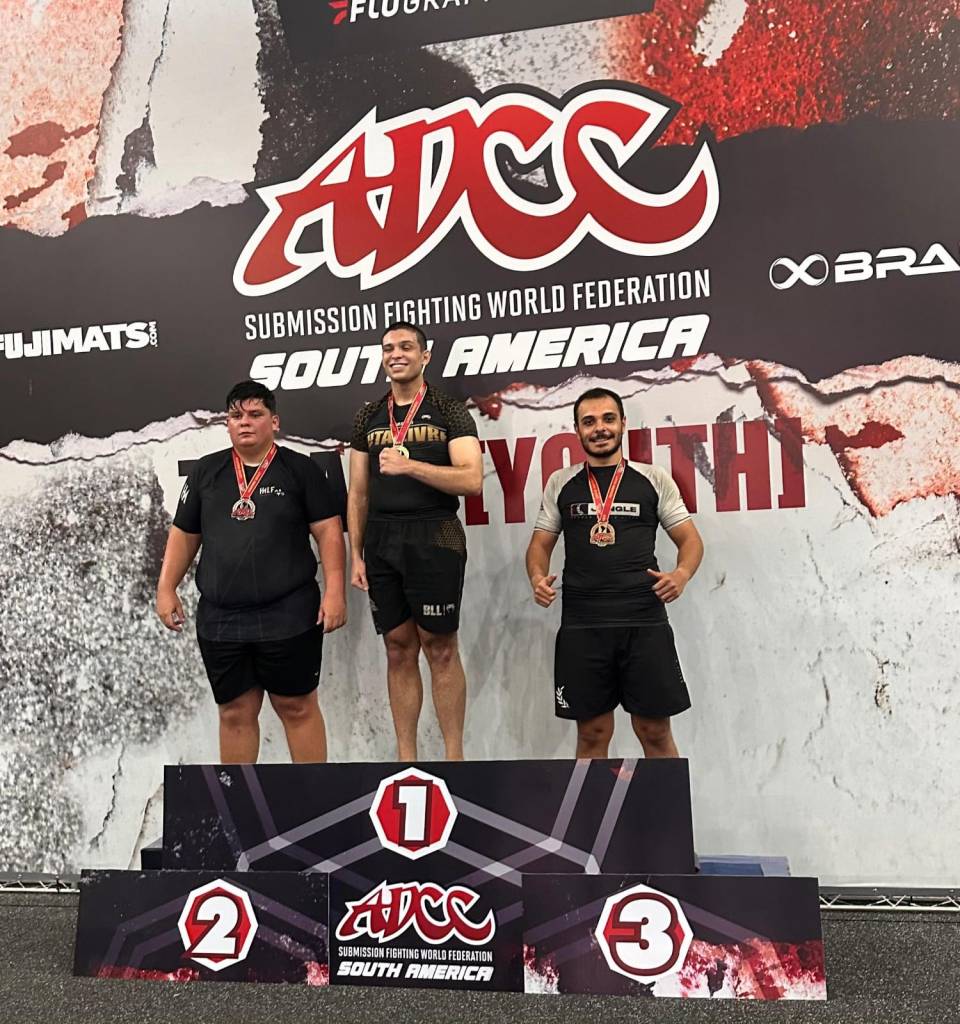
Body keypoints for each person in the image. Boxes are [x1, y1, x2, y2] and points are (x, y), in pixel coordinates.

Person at [156, 380, 346, 764]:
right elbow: (184, 534)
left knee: (297, 707)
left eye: (255, 414)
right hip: (222, 619)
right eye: (236, 415)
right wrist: (166, 587)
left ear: (274, 422)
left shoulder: (300, 469)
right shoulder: (206, 472)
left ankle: (314, 796)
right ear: (226, 423)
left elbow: (328, 532)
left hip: (289, 614)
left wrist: (335, 591)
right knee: (234, 712)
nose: (244, 422)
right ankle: (239, 799)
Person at [525, 387, 704, 760]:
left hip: (644, 622)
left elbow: (690, 540)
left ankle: (662, 803)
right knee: (592, 734)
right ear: (577, 429)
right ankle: (594, 804)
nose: (599, 429)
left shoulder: (653, 478)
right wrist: (537, 577)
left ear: (623, 423)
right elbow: (539, 545)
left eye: (608, 419)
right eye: (589, 422)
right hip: (583, 625)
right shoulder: (561, 482)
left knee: (654, 731)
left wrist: (682, 574)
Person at [348, 322, 482, 761]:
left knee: (439, 648)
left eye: (406, 346)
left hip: (435, 534)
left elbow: (472, 480)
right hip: (382, 540)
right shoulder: (368, 416)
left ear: (425, 356)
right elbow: (358, 493)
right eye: (388, 348)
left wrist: (412, 468)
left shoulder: (449, 410)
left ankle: (454, 759)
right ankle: (407, 760)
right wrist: (355, 554)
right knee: (397, 648)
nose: (396, 354)